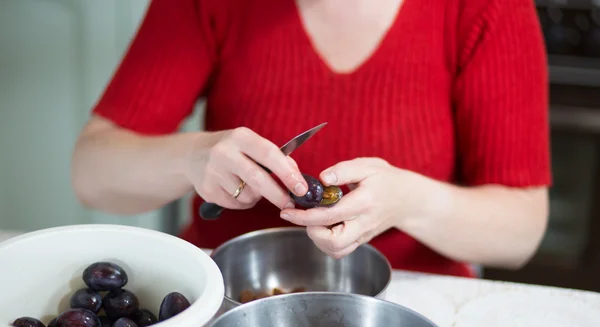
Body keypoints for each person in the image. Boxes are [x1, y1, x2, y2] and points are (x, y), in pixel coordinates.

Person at [71, 0, 551, 278]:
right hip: (230, 292)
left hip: (413, 302)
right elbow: (93, 172)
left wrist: (408, 201)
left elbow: (520, 230)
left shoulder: (487, 8)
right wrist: (190, 156)